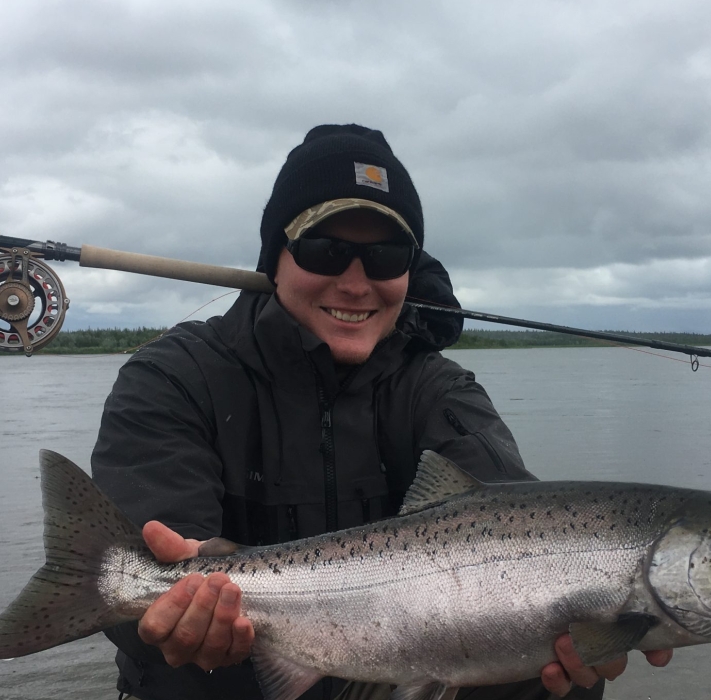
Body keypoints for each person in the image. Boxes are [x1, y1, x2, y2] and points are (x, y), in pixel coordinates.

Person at [90, 124, 672, 700]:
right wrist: (173, 598)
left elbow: (511, 509)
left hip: (407, 674)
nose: (355, 282)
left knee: (555, 685)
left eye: (386, 256)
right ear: (277, 257)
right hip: (225, 686)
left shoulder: (439, 391)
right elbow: (142, 574)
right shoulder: (175, 378)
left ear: (410, 271)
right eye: (326, 250)